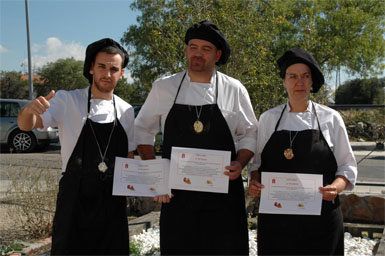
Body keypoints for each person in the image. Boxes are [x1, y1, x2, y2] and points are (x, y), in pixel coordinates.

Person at [135, 20, 258, 255]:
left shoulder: (234, 89)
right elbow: (142, 129)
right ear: (186, 50)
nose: (198, 54)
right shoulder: (164, 87)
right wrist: (155, 171)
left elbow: (250, 132)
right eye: (193, 47)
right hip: (177, 197)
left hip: (224, 195)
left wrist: (240, 163)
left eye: (206, 49)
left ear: (218, 54)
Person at [18, 38, 136, 255]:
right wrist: (28, 112)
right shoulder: (67, 101)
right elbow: (29, 125)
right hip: (74, 201)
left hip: (112, 204)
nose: (107, 74)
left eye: (114, 69)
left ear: (122, 73)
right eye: (101, 66)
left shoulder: (127, 111)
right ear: (91, 68)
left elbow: (128, 158)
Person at [248, 47, 358, 255]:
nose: (299, 82)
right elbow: (257, 165)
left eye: (305, 76)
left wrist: (335, 187)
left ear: (311, 81)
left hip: (321, 220)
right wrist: (254, 181)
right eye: (293, 76)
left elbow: (347, 166)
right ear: (284, 81)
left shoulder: (331, 118)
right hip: (277, 221)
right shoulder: (268, 119)